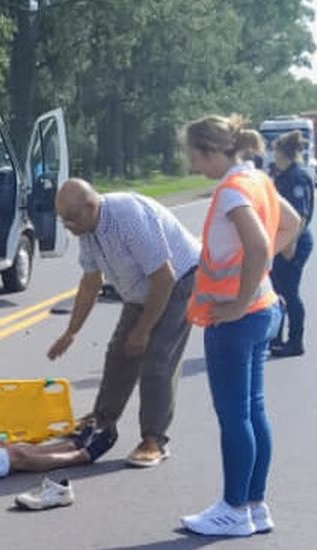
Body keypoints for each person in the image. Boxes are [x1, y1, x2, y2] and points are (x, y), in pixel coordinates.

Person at [179, 115, 301, 537]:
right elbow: (292, 225)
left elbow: (260, 242)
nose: (193, 166)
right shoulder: (257, 179)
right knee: (252, 410)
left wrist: (240, 297)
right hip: (262, 309)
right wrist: (258, 276)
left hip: (238, 316)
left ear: (211, 151)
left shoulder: (232, 191)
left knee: (234, 415)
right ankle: (254, 504)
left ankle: (233, 509)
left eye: (194, 156)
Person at [47, 178, 200, 468]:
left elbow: (164, 278)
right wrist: (71, 332)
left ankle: (154, 440)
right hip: (142, 288)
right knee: (119, 352)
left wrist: (143, 330)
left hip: (179, 281)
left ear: (91, 207)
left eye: (71, 219)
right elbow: (91, 283)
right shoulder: (88, 230)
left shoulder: (127, 218)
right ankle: (102, 420)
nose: (67, 225)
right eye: (62, 219)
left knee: (156, 360)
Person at [268, 130, 313, 357]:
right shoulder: (281, 175)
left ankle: (295, 341)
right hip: (281, 239)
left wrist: (289, 247)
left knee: (289, 291)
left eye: (275, 151)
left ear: (282, 152)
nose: (272, 156)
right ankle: (275, 337)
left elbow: (299, 216)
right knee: (276, 290)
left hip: (294, 242)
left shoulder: (298, 177)